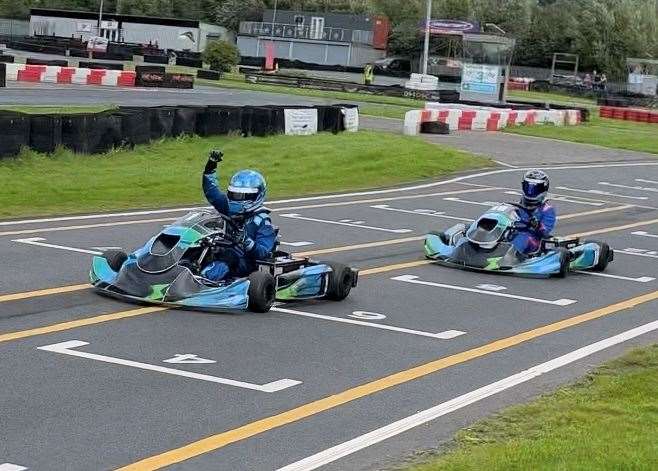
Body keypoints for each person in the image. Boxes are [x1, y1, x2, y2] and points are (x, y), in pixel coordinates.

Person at [200, 150, 277, 281]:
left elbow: (263, 253)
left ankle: (204, 280)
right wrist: (211, 165)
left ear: (256, 196)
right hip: (223, 252)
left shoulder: (262, 222)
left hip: (247, 263)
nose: (237, 199)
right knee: (200, 247)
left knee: (229, 257)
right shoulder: (229, 208)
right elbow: (211, 192)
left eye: (243, 196)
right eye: (234, 194)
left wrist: (246, 241)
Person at [510, 169, 556, 255]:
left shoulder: (547, 210)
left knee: (520, 239)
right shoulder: (517, 206)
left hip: (533, 240)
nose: (530, 191)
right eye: (528, 187)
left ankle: (504, 261)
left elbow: (545, 231)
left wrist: (536, 224)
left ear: (543, 189)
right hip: (513, 233)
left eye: (535, 189)